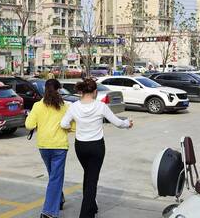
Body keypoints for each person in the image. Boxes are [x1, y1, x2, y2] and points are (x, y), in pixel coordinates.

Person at [60, 79, 133, 218]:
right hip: (96, 147)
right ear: (95, 92)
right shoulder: (101, 106)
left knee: (88, 176)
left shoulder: (74, 106)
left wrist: (72, 128)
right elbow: (118, 123)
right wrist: (127, 123)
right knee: (92, 181)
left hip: (81, 146)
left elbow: (63, 124)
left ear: (82, 91)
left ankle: (92, 207)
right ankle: (86, 214)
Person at [25, 79, 74, 218]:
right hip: (59, 146)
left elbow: (29, 125)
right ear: (58, 90)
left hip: (44, 146)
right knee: (56, 178)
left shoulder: (37, 106)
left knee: (54, 176)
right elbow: (73, 126)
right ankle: (49, 212)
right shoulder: (64, 106)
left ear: (45, 90)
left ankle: (59, 199)